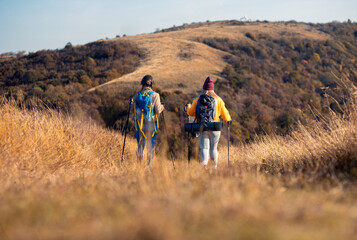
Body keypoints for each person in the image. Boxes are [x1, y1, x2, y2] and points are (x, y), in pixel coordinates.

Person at [185, 76, 231, 168]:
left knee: (204, 147)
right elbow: (225, 115)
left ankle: (204, 164)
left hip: (201, 127)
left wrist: (188, 106)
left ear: (204, 88)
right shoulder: (218, 100)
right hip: (214, 127)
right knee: (214, 149)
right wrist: (229, 120)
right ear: (212, 88)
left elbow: (191, 113)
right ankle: (214, 168)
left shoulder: (198, 99)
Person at [132, 75, 164, 168]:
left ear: (142, 83)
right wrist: (162, 106)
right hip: (151, 124)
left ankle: (139, 167)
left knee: (140, 146)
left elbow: (132, 109)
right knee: (151, 147)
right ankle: (148, 167)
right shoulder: (155, 95)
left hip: (139, 124)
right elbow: (158, 110)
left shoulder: (137, 95)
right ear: (151, 84)